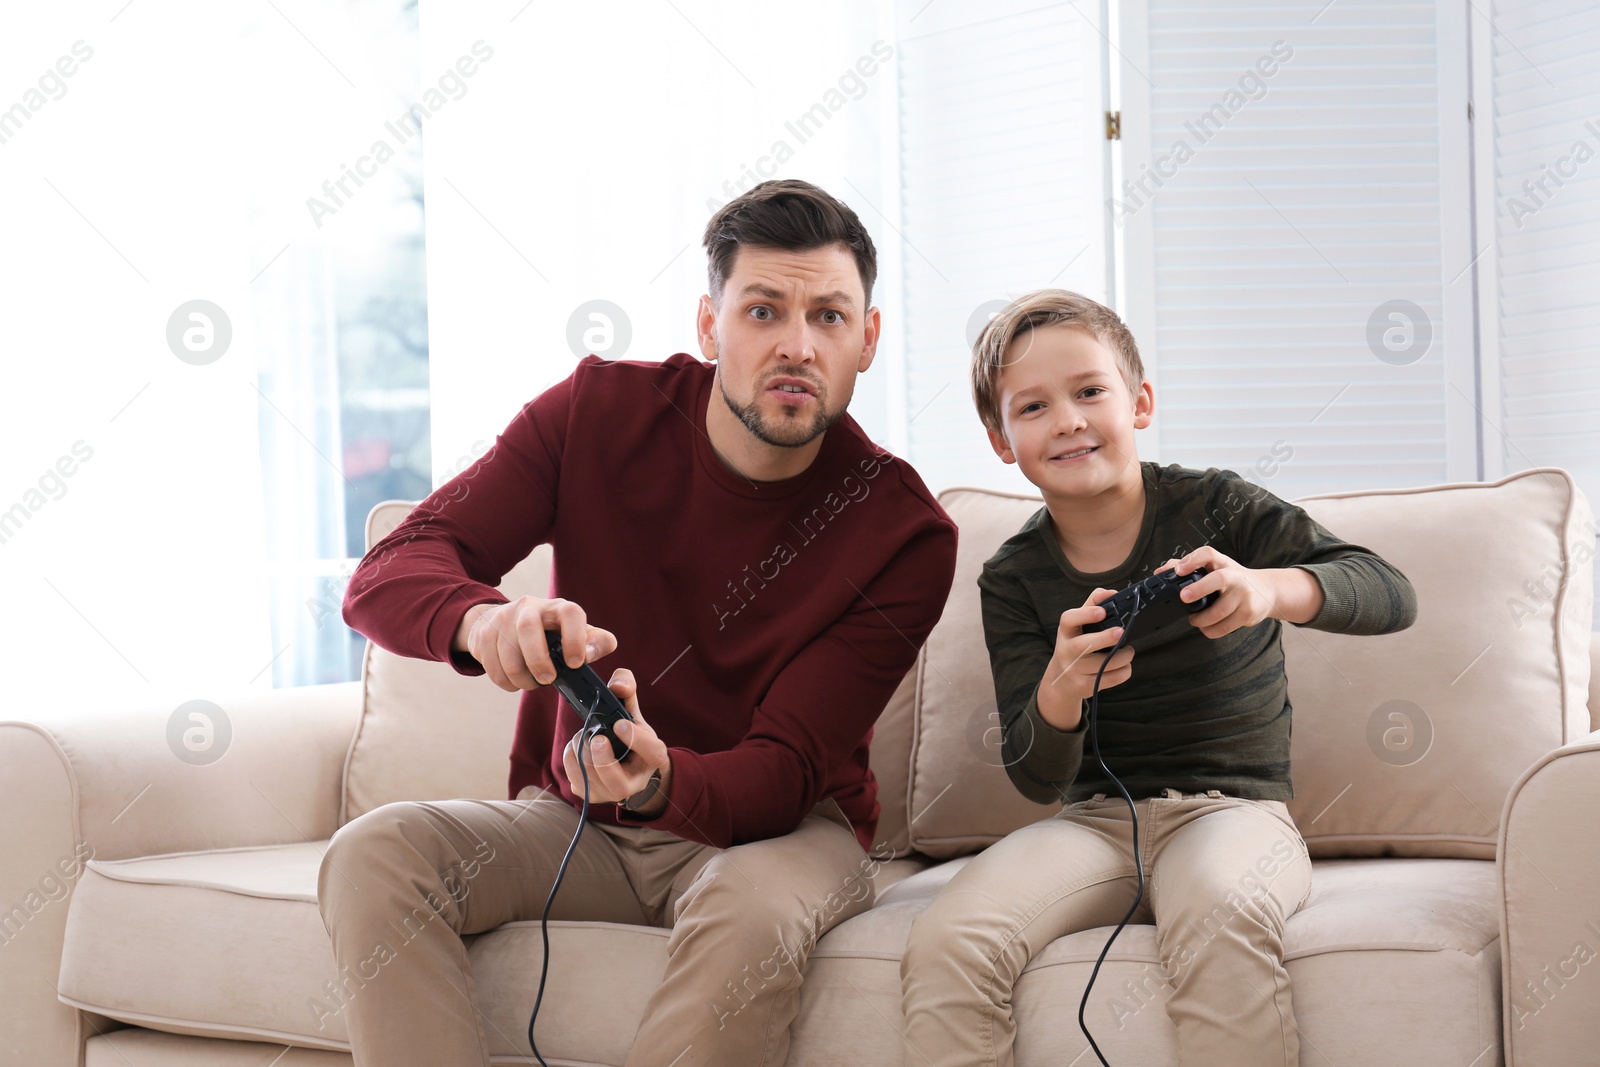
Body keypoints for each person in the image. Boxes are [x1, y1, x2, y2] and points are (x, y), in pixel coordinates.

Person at [322, 179, 957, 1067]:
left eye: (830, 317)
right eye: (764, 310)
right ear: (709, 324)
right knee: (378, 854)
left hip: (775, 831)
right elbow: (392, 569)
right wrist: (482, 623)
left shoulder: (903, 533)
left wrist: (659, 784)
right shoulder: (595, 413)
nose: (798, 346)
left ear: (869, 340)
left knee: (753, 907)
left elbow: (782, 771)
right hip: (584, 821)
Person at [898, 289, 1417, 1067]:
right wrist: (1061, 690)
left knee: (1219, 912)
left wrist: (1267, 588)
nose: (1068, 419)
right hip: (1096, 823)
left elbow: (1388, 590)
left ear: (1138, 401)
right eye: (1032, 406)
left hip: (1233, 812)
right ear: (1002, 441)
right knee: (949, 939)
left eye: (1089, 391)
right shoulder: (1011, 576)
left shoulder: (1218, 506)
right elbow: (1036, 776)